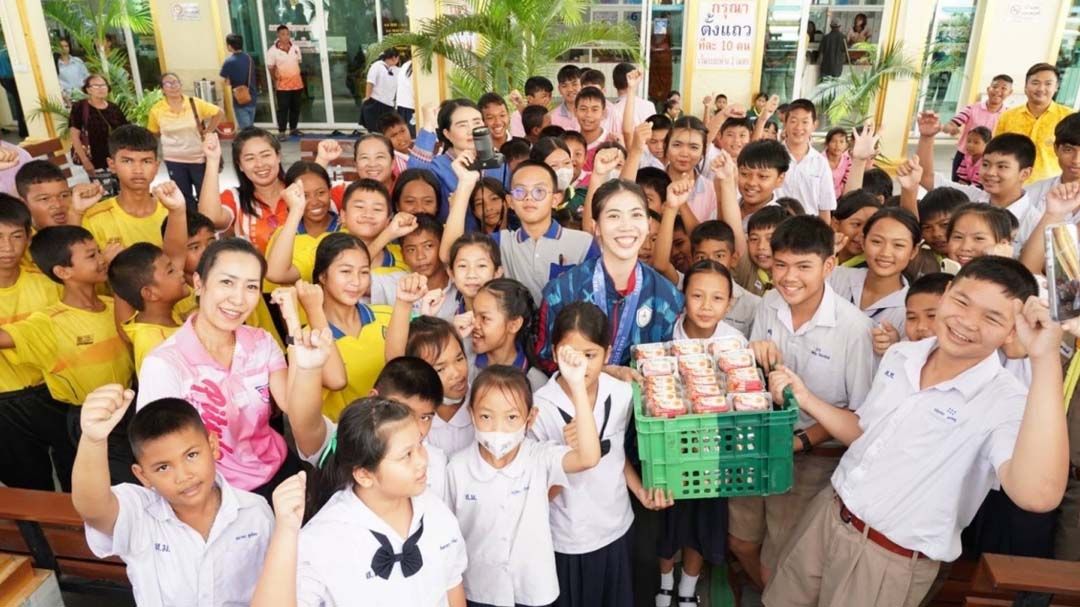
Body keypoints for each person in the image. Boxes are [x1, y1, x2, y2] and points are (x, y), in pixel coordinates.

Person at [763, 256, 1069, 606]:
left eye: (992, 317)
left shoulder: (1006, 402)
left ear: (1012, 331)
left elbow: (1037, 496)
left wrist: (1043, 357)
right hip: (830, 514)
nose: (967, 322)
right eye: (962, 302)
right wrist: (806, 398)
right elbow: (866, 433)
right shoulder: (902, 356)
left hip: (887, 557)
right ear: (947, 292)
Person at [134, 238, 342, 501]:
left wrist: (302, 352)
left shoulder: (261, 342)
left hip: (281, 476)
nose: (238, 299)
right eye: (227, 282)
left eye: (251, 287)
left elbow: (297, 412)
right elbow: (159, 449)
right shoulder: (165, 364)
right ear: (199, 283)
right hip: (218, 494)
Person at [739, 215, 874, 584]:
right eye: (780, 265)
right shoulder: (769, 303)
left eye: (803, 266)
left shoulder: (855, 329)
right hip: (760, 444)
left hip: (813, 459)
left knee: (783, 555)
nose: (788, 277)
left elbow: (860, 414)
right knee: (741, 539)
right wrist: (755, 357)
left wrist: (800, 441)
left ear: (829, 266)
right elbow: (755, 375)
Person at [250, 400, 468, 606]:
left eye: (420, 444)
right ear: (364, 475)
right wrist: (286, 532)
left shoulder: (435, 510)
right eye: (406, 455)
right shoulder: (324, 538)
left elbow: (452, 585)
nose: (422, 460)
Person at [73, 388, 274, 606]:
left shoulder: (255, 512)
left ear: (213, 446)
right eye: (162, 468)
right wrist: (93, 441)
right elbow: (94, 509)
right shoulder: (139, 515)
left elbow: (277, 584)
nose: (183, 476)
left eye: (191, 455)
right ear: (143, 476)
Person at [532, 302, 673, 607]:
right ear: (555, 353)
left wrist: (640, 492)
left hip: (616, 528)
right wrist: (570, 455)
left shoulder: (620, 394)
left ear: (608, 354)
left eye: (590, 355)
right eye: (571, 355)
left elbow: (615, 453)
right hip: (567, 539)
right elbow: (539, 494)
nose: (580, 366)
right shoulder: (540, 408)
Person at [448, 354, 602, 607]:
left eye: (511, 418)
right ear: (471, 414)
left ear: (530, 418)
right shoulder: (456, 469)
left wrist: (576, 386)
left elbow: (588, 457)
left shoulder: (538, 458)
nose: (498, 429)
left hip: (534, 590)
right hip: (479, 591)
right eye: (486, 416)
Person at [0, 225, 134, 484]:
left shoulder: (113, 306)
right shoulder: (49, 321)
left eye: (98, 252)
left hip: (128, 409)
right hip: (88, 419)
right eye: (91, 256)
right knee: (110, 486)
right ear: (63, 272)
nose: (102, 259)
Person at [537, 180, 683, 375]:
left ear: (648, 225)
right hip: (577, 399)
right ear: (596, 227)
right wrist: (605, 372)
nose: (626, 226)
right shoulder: (563, 291)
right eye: (614, 216)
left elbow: (671, 369)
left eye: (636, 215)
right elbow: (545, 359)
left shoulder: (667, 297)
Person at [443, 155, 595, 304]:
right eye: (520, 192)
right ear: (510, 202)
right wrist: (465, 184)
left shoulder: (583, 243)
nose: (529, 198)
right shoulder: (501, 242)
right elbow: (451, 254)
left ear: (555, 200)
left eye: (539, 191)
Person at [0, 195, 64, 490]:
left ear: (29, 237)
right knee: (28, 487)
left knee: (76, 474)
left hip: (54, 391)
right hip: (4, 403)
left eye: (16, 236)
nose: (7, 248)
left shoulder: (47, 283)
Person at [106, 181, 191, 372]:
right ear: (149, 293)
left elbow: (176, 253)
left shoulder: (145, 321)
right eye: (170, 271)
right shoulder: (156, 347)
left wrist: (177, 210)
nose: (180, 271)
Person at [308, 233, 393, 420]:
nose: (356, 282)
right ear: (322, 275)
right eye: (346, 271)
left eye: (364, 272)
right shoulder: (307, 337)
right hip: (343, 441)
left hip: (392, 434)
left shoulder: (388, 316)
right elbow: (336, 381)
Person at [828, 207, 921, 344]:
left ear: (913, 251)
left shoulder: (910, 310)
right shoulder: (834, 277)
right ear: (863, 242)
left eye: (898, 245)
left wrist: (894, 347)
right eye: (877, 242)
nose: (885, 253)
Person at [408, 99, 509, 224]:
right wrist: (429, 125)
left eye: (476, 122)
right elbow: (413, 177)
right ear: (447, 134)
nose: (471, 130)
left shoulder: (497, 162)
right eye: (462, 125)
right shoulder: (438, 167)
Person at [79, 125, 170, 251]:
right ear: (112, 165)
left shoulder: (172, 211)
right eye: (127, 161)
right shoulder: (94, 218)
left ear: (156, 166)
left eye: (146, 161)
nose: (138, 170)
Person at [198, 129, 288, 254]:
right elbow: (209, 219)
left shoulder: (298, 190)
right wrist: (213, 160)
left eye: (266, 155)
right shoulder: (235, 197)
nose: (260, 164)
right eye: (250, 158)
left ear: (278, 156)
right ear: (240, 165)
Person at [146, 73, 223, 209]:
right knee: (183, 195)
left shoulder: (194, 103)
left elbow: (218, 113)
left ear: (180, 85)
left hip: (198, 158)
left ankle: (208, 222)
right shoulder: (157, 110)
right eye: (168, 84)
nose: (173, 86)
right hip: (174, 160)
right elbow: (153, 131)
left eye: (176, 82)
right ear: (162, 89)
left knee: (205, 193)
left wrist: (209, 130)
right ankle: (191, 224)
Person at [995, 63, 1074, 184]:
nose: (1041, 89)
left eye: (1048, 84)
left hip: (1051, 188)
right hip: (1011, 185)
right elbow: (997, 152)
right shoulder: (1008, 116)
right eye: (1035, 83)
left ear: (1056, 87)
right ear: (1026, 86)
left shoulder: (1069, 118)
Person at [468, 278, 548, 391]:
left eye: (484, 318)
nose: (474, 324)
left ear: (514, 325)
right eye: (474, 315)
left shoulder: (535, 383)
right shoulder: (463, 360)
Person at [774, 99, 837, 221]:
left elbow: (825, 208)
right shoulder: (772, 156)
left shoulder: (821, 163)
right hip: (774, 229)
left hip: (807, 233)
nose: (799, 127)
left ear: (814, 125)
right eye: (793, 121)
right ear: (785, 123)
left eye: (805, 122)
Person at [943, 75, 1012, 181]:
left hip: (990, 161)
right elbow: (954, 122)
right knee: (956, 191)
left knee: (981, 194)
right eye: (995, 87)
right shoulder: (972, 108)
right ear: (988, 89)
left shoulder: (1008, 115)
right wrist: (950, 127)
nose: (998, 91)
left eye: (1004, 88)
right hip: (964, 156)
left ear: (1010, 93)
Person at [68, 74, 129, 177]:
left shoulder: (114, 108)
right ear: (88, 90)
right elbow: (74, 136)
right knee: (102, 190)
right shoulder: (80, 107)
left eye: (103, 85)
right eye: (96, 86)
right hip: (94, 160)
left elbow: (125, 132)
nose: (100, 89)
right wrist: (85, 161)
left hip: (116, 158)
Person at [265, 24, 304, 140]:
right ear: (278, 35)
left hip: (297, 84)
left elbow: (298, 63)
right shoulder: (272, 51)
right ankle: (282, 131)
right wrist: (275, 80)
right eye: (283, 34)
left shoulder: (295, 48)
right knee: (283, 109)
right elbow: (271, 68)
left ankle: (293, 129)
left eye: (287, 34)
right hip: (282, 86)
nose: (286, 37)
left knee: (295, 108)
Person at [220, 33, 259, 130]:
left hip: (240, 100)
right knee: (250, 126)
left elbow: (225, 81)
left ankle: (249, 144)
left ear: (229, 46)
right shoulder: (249, 58)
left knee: (246, 131)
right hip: (252, 97)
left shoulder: (229, 61)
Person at [362, 48, 400, 132]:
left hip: (388, 104)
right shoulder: (377, 66)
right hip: (376, 102)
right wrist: (367, 98)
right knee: (375, 128)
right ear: (394, 58)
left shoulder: (395, 69)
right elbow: (370, 82)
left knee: (387, 128)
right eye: (398, 58)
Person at [0, 44, 28, 138]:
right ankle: (23, 131)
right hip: (12, 79)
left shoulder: (3, 53)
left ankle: (23, 130)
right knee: (20, 103)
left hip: (4, 80)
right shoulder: (8, 53)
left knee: (18, 103)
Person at [549, 65, 583, 131]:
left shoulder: (593, 113)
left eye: (574, 84)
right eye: (564, 86)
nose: (570, 89)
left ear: (582, 85)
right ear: (559, 89)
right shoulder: (552, 117)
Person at [55, 39, 89, 103]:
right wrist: (64, 96)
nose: (64, 48)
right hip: (68, 99)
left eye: (66, 46)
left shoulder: (77, 61)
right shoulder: (55, 65)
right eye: (61, 46)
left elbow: (87, 76)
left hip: (83, 95)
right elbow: (57, 83)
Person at [824, 127, 850, 197]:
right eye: (833, 141)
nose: (837, 145)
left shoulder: (848, 161)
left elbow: (846, 183)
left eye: (841, 141)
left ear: (846, 145)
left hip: (840, 200)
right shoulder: (818, 160)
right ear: (827, 143)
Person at [396, 57, 415, 136]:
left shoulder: (406, 65)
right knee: (412, 134)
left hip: (402, 105)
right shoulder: (415, 67)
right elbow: (415, 88)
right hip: (411, 106)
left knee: (404, 134)